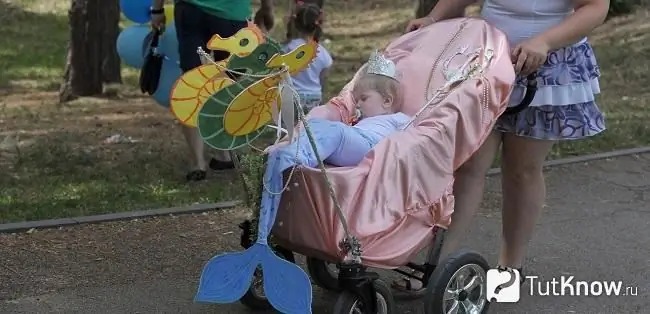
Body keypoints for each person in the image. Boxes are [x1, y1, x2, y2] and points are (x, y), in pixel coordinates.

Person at [389, 0, 609, 295]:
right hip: (484, 62)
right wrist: (433, 17)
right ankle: (433, 267)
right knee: (466, 166)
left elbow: (595, 7)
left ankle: (509, 268)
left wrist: (543, 41)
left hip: (545, 65)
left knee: (522, 171)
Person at [262, 51, 408, 214]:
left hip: (371, 146)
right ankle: (293, 147)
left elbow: (411, 140)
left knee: (336, 130)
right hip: (353, 142)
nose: (358, 104)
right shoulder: (361, 121)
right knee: (319, 123)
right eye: (357, 99)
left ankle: (298, 157)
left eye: (364, 99)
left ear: (387, 101)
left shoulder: (399, 119)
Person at [150, 0, 275, 181]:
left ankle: (198, 163)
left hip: (191, 9)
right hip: (231, 12)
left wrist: (157, 9)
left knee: (192, 82)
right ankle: (223, 153)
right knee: (228, 82)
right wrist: (267, 7)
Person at [283, 1, 333, 114]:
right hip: (314, 98)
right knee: (310, 128)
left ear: (296, 23)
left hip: (292, 97)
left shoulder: (288, 48)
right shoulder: (323, 53)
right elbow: (322, 80)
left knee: (289, 129)